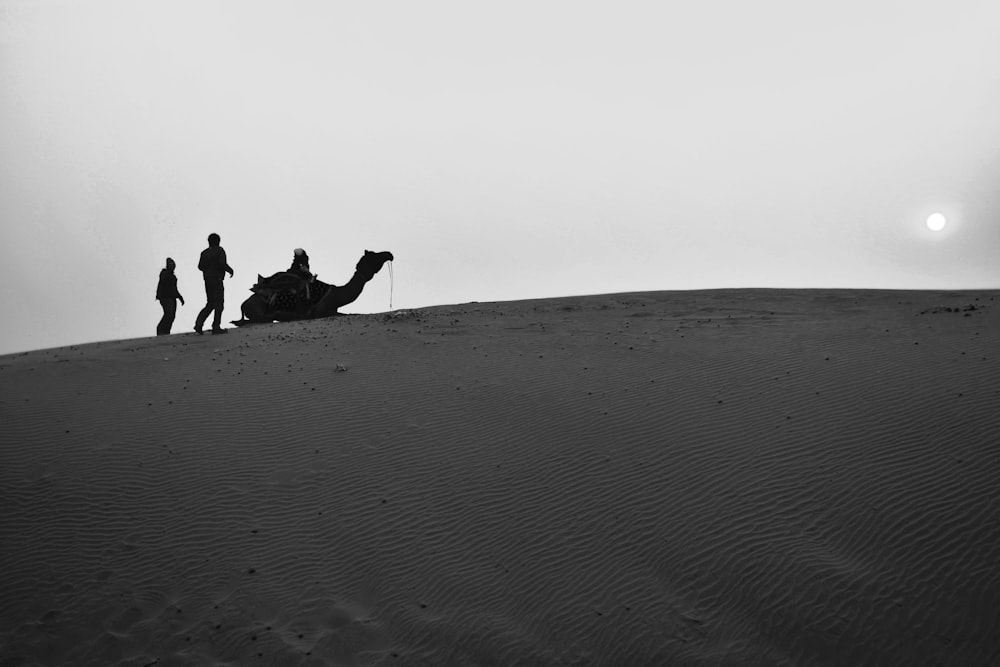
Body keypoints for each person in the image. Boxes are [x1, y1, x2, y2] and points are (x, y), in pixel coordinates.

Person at [194, 233, 234, 335]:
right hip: (217, 279)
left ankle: (199, 324)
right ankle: (216, 327)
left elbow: (200, 266)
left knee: (210, 303)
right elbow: (222, 263)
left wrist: (208, 269)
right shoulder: (220, 250)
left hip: (207, 280)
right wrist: (229, 270)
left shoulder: (204, 253)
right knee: (218, 303)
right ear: (218, 241)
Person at [155, 257, 184, 335]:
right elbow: (165, 286)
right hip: (165, 297)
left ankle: (166, 331)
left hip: (172, 297)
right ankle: (161, 329)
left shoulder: (173, 277)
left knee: (172, 315)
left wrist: (180, 297)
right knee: (169, 313)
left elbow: (175, 289)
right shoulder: (164, 274)